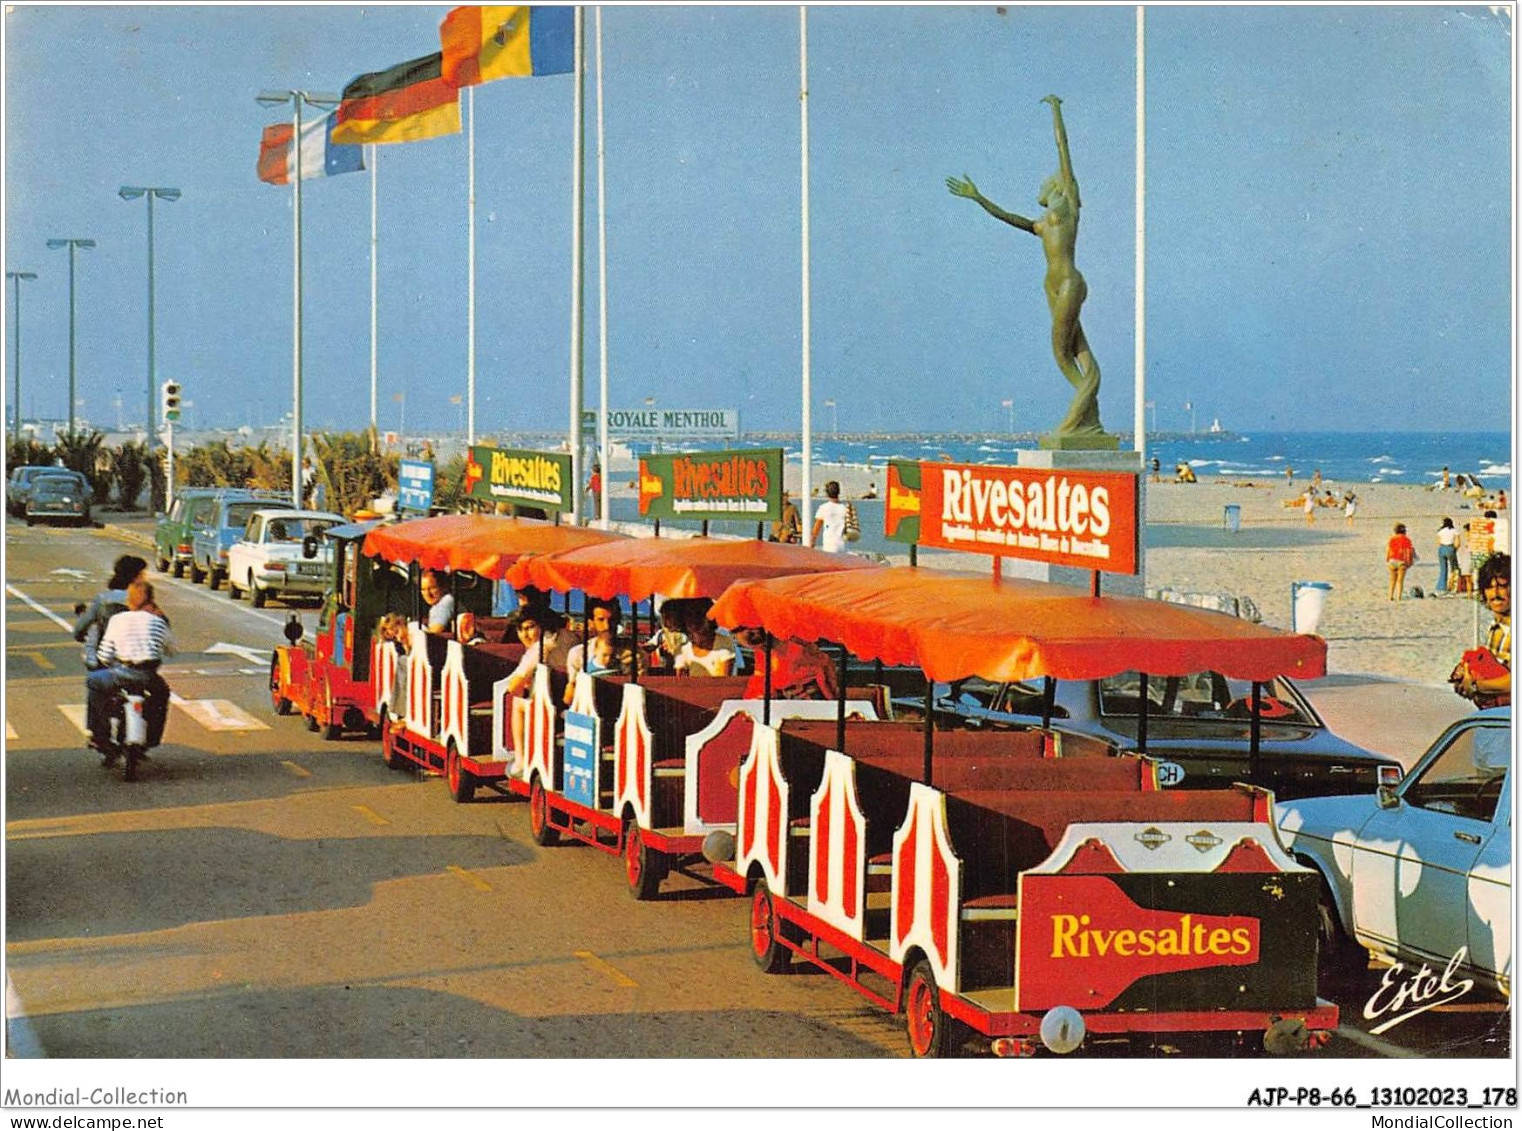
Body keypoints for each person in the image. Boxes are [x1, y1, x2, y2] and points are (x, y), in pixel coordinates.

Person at [947, 95, 1105, 438]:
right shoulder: (1040, 224)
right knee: (1075, 352)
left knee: (1061, 351)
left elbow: (1064, 152)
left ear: (1056, 187)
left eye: (1043, 183)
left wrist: (1056, 110)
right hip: (1051, 287)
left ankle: (1080, 412)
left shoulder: (1069, 207)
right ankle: (1088, 415)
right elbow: (1009, 217)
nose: (1039, 187)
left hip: (1069, 283)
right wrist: (979, 198)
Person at [86, 579, 173, 758]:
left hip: (121, 673)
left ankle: (100, 734)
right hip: (149, 675)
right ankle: (152, 737)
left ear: (129, 601)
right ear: (150, 600)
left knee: (93, 683)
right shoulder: (158, 621)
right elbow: (172, 649)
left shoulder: (118, 620)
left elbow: (104, 654)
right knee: (162, 694)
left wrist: (106, 660)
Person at [1451, 553, 1511, 708]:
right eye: (1489, 587)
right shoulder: (1495, 629)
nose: (1495, 593)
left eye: (1502, 586)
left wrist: (1476, 686)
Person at [74, 554, 147, 670]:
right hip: (136, 660)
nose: (144, 579)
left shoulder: (102, 599)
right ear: (135, 578)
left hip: (105, 659)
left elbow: (81, 628)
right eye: (142, 575)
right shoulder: (143, 601)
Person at [737, 629, 838, 701]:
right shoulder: (761, 652)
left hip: (812, 700)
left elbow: (821, 671)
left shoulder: (795, 645)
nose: (746, 633)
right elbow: (760, 681)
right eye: (738, 630)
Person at [810, 480, 849, 553]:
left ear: (827, 493)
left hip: (829, 545)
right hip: (842, 545)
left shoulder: (823, 508)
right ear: (839, 492)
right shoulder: (845, 508)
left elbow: (817, 527)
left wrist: (812, 541)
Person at [419, 569, 455, 635]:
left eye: (432, 588)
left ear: (443, 587)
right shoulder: (435, 606)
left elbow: (433, 634)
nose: (427, 594)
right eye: (423, 589)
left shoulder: (446, 601)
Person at [1386, 522, 1416, 601]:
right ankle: (1399, 597)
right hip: (1401, 561)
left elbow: (1389, 550)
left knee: (1392, 580)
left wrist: (1388, 559)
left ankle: (1390, 596)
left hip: (1392, 560)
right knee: (1400, 581)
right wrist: (1409, 562)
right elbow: (1409, 552)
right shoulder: (1407, 540)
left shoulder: (1392, 539)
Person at [1436, 518, 1461, 596]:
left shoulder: (1440, 531)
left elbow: (1438, 542)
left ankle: (1441, 587)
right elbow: (1457, 543)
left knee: (1443, 569)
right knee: (1454, 569)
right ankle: (1453, 587)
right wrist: (1454, 550)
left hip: (1442, 548)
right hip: (1450, 548)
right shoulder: (1454, 531)